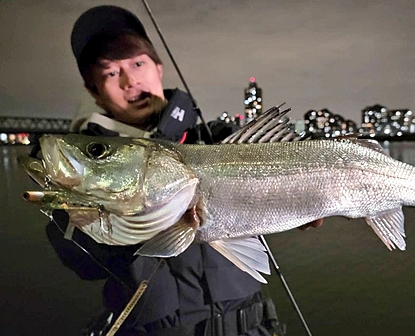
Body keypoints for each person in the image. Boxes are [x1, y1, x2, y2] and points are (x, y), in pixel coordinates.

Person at [44, 5, 322, 336]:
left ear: (158, 68)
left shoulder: (217, 138)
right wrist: (77, 216)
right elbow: (85, 265)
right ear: (94, 91)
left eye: (137, 63)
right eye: (110, 73)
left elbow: (286, 163)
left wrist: (315, 191)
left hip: (253, 327)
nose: (131, 81)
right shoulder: (86, 175)